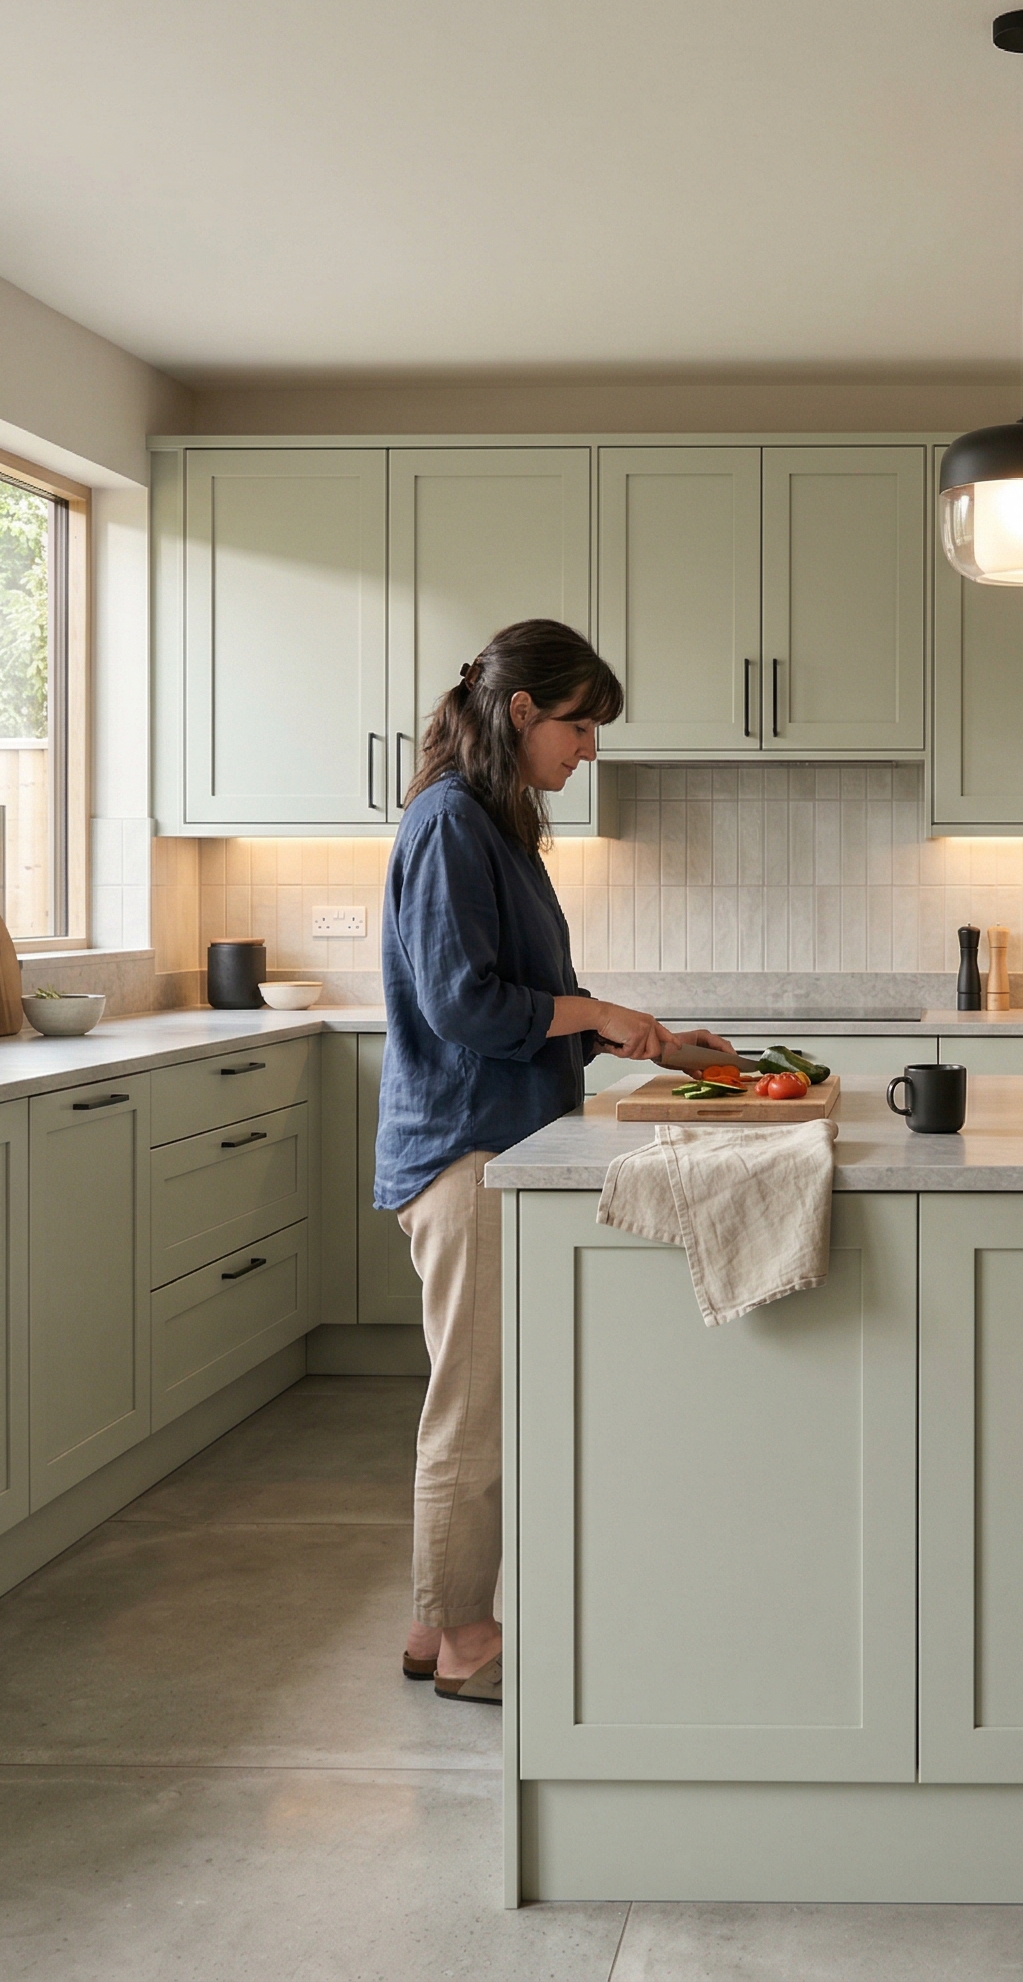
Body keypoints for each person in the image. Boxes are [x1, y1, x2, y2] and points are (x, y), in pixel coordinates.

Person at [375, 619, 731, 1704]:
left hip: (492, 1140)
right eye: (577, 724)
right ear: (520, 711)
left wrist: (654, 1041)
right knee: (472, 1408)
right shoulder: (449, 824)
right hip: (466, 1154)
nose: (588, 749)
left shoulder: (494, 827)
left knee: (478, 1394)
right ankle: (472, 1641)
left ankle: (435, 1621)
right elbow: (467, 1004)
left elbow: (523, 1000)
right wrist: (600, 1009)